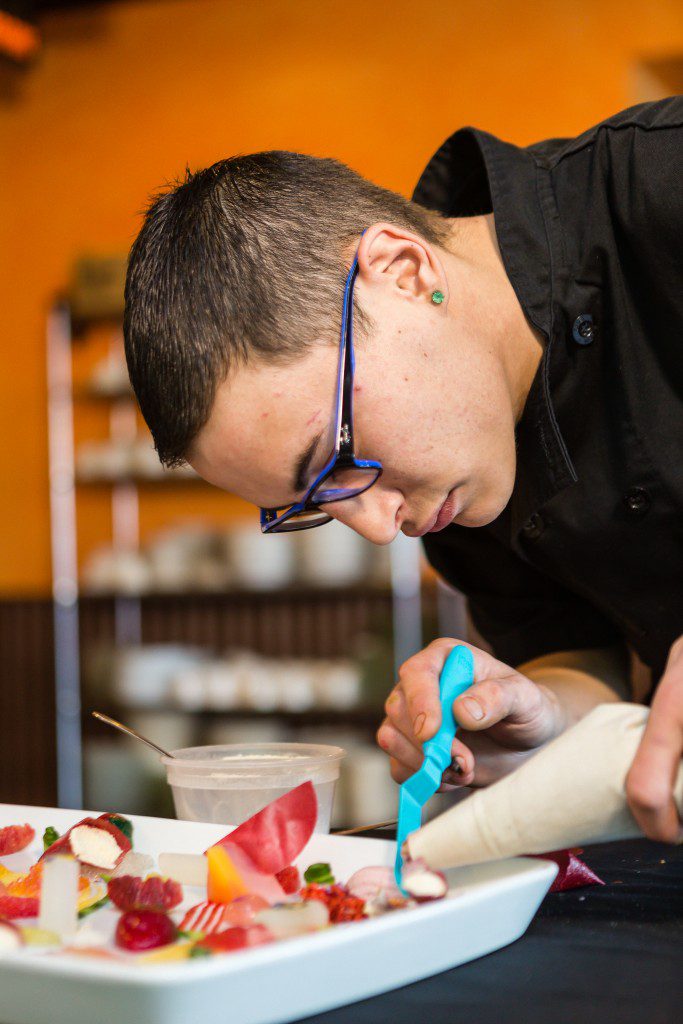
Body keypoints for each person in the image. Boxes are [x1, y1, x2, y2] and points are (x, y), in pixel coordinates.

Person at [124, 97, 683, 844]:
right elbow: (584, 656)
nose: (381, 527)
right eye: (317, 504)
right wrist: (536, 710)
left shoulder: (659, 184)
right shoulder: (455, 483)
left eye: (339, 455)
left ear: (403, 271)